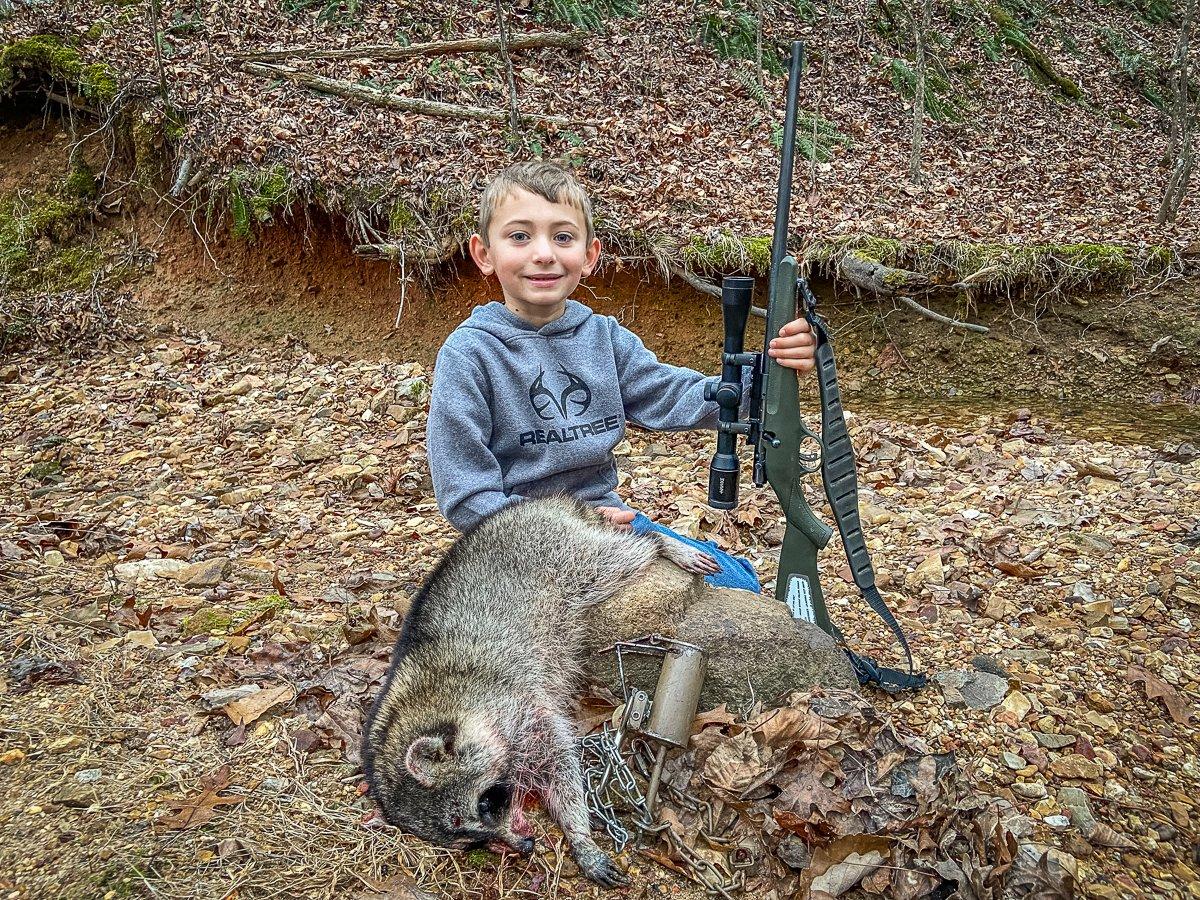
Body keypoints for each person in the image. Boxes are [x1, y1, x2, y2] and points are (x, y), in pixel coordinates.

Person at [425, 161, 816, 591]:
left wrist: (773, 370)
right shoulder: (469, 355)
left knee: (740, 581)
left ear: (589, 255)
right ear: (484, 253)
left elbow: (674, 394)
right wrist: (570, 527)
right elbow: (467, 497)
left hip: (610, 522)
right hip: (517, 541)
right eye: (520, 236)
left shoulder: (604, 338)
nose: (544, 253)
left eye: (563, 237)